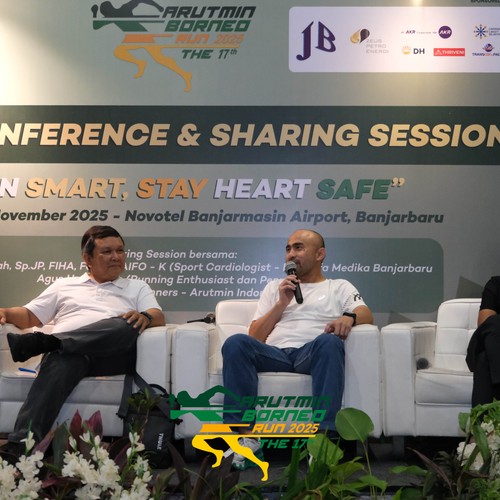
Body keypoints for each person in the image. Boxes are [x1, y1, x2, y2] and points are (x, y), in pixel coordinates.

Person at [0, 225, 165, 454]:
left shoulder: (136, 287)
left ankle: (52, 342)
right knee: (61, 360)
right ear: (87, 258)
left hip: (113, 356)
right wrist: (5, 312)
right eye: (107, 252)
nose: (116, 257)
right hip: (72, 356)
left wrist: (145, 316)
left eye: (120, 250)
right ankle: (20, 446)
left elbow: (158, 316)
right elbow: (30, 316)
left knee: (126, 323)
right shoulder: (64, 285)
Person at [221, 229, 373, 470]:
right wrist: (282, 302)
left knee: (330, 342)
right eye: (288, 248)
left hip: (312, 351)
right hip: (275, 353)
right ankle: (247, 439)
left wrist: (349, 317)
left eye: (298, 247)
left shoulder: (338, 286)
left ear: (320, 254)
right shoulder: (274, 287)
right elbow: (255, 336)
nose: (291, 254)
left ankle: (321, 443)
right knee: (235, 343)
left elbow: (365, 313)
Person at [467, 276, 500, 406]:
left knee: (484, 360)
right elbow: (485, 324)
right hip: (486, 343)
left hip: (486, 357)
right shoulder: (496, 284)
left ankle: (480, 419)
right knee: (495, 321)